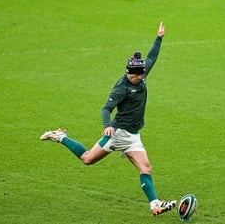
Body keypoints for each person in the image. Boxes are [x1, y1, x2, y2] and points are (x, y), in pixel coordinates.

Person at [40, 22, 176, 217]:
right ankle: (60, 136)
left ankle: (155, 204)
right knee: (87, 159)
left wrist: (159, 38)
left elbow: (152, 57)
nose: (139, 77)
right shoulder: (121, 88)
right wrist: (108, 126)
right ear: (128, 72)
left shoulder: (142, 75)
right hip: (118, 132)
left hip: (133, 135)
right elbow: (106, 108)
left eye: (140, 74)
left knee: (146, 167)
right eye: (135, 75)